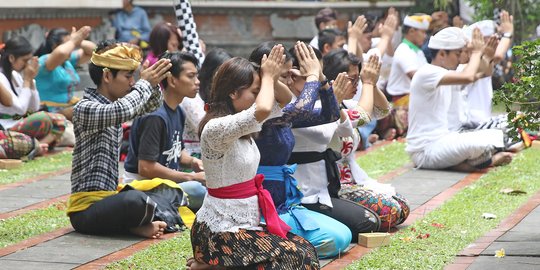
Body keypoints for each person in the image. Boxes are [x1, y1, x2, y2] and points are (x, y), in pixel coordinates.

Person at [189, 46, 319, 269]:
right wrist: (267, 77)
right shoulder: (215, 128)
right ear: (233, 93)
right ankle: (215, 263)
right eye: (254, 90)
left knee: (306, 251)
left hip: (244, 225)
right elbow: (263, 108)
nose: (259, 96)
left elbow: (286, 98)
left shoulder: (242, 126)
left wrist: (270, 75)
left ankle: (216, 266)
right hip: (219, 232)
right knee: (296, 260)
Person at [250, 41, 351, 259]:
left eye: (290, 75)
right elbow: (303, 108)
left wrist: (322, 79)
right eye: (283, 76)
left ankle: (280, 248)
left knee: (343, 237)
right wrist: (312, 76)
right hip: (256, 204)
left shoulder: (280, 110)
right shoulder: (256, 111)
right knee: (330, 241)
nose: (289, 81)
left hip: (284, 202)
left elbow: (329, 114)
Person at [67, 40, 176, 238]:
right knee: (135, 201)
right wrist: (144, 83)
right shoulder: (85, 108)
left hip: (109, 202)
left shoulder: (114, 106)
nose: (132, 82)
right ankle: (133, 226)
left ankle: (135, 225)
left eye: (133, 77)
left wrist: (153, 81)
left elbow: (151, 105)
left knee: (165, 194)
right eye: (128, 76)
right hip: (85, 211)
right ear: (107, 76)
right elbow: (123, 110)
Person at [406, 27, 514, 172]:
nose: (460, 58)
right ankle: (481, 162)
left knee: (495, 135)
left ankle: (461, 164)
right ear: (442, 53)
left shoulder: (446, 73)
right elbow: (468, 77)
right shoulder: (426, 73)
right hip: (425, 150)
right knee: (483, 143)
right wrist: (476, 52)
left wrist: (487, 56)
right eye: (458, 54)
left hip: (444, 140)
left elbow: (482, 73)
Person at [324, 50, 410, 230]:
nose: (357, 85)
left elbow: (382, 110)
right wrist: (368, 83)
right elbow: (361, 116)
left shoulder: (346, 104)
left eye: (359, 80)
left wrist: (372, 83)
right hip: (333, 185)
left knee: (402, 206)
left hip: (353, 181)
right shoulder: (324, 107)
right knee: (391, 211)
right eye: (352, 80)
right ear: (335, 79)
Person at [123, 51, 207, 212]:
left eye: (197, 76)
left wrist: (192, 162)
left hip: (166, 185)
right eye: (190, 76)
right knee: (199, 191)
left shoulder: (179, 111)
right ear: (171, 80)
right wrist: (191, 176)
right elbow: (146, 168)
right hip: (142, 188)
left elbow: (176, 150)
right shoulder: (155, 116)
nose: (197, 82)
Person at [1, 36, 67, 149]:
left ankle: (38, 145)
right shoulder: (1, 78)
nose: (27, 65)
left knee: (59, 120)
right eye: (25, 61)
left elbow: (34, 108)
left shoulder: (15, 75)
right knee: (44, 118)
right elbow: (21, 109)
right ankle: (35, 146)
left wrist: (31, 81)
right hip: (6, 127)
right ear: (12, 58)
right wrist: (27, 80)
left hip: (19, 123)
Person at [379, 14, 431, 140]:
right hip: (403, 103)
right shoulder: (403, 50)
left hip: (415, 100)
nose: (425, 36)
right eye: (423, 32)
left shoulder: (417, 51)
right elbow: (418, 78)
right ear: (412, 31)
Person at [34, 26, 95, 120]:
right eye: (67, 44)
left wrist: (78, 40)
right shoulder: (44, 61)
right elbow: (61, 52)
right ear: (54, 46)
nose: (71, 47)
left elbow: (93, 51)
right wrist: (73, 41)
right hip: (49, 114)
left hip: (68, 109)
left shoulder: (67, 61)